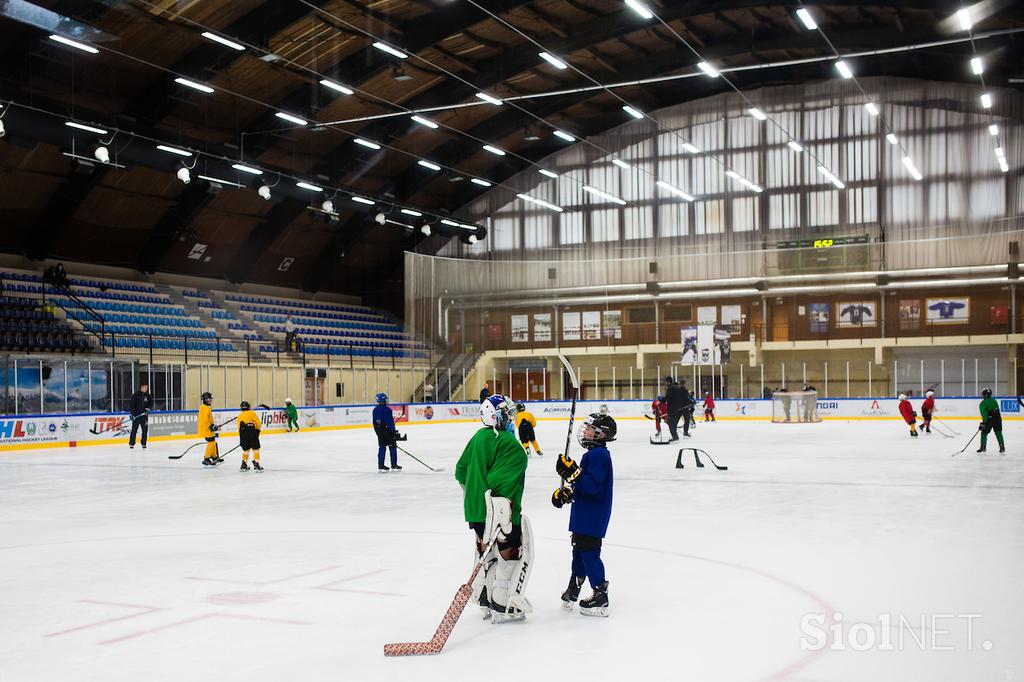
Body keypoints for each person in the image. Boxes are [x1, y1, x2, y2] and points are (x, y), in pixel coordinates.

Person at [455, 394, 531, 622]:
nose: (511, 417)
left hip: (477, 513)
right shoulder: (510, 444)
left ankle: (485, 599)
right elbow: (499, 483)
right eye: (507, 414)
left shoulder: (479, 437)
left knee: (485, 555)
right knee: (511, 556)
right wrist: (497, 511)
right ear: (497, 416)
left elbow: (460, 471)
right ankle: (502, 603)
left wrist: (476, 497)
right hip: (501, 514)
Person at [552, 412, 616, 617]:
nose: (586, 431)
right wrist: (567, 493)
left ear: (601, 435)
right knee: (578, 553)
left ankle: (600, 594)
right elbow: (582, 486)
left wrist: (574, 474)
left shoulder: (599, 455)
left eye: (591, 429)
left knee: (589, 554)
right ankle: (574, 589)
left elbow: (592, 486)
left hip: (591, 517)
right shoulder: (592, 455)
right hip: (583, 516)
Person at [372, 393, 401, 471]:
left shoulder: (375, 409)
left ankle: (381, 465)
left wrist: (378, 432)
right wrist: (393, 432)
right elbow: (390, 422)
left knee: (382, 447)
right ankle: (394, 465)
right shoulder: (387, 410)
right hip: (387, 432)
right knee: (392, 447)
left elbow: (374, 423)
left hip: (379, 432)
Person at [238, 401, 263, 471]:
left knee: (246, 449)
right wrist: (257, 432)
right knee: (256, 449)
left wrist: (242, 438)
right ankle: (257, 464)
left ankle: (244, 464)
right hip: (251, 432)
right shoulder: (252, 413)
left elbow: (239, 428)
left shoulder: (239, 416)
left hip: (242, 433)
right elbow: (258, 423)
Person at [978, 388, 1005, 454]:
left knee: (984, 433)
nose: (982, 396)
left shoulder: (982, 403)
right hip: (998, 418)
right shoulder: (994, 401)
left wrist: (984, 422)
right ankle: (1002, 447)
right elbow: (997, 411)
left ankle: (983, 447)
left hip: (989, 420)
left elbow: (984, 414)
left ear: (985, 395)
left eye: (983, 394)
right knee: (998, 432)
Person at [199, 392, 221, 466]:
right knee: (211, 442)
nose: (211, 401)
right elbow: (204, 420)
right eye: (209, 399)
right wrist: (211, 426)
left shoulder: (206, 407)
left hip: (208, 428)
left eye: (211, 399)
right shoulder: (204, 408)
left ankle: (214, 457)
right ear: (205, 399)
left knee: (213, 442)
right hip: (207, 429)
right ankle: (207, 458)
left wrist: (213, 426)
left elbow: (208, 419)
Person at [128, 382, 152, 449]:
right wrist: (132, 414)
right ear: (141, 387)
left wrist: (148, 410)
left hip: (144, 416)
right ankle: (131, 443)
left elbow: (150, 404)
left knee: (145, 430)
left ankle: (143, 443)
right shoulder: (135, 395)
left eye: (146, 387)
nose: (146, 389)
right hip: (136, 416)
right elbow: (132, 405)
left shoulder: (148, 396)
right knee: (134, 430)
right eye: (144, 387)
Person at [663, 377, 686, 442]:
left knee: (671, 423)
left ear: (668, 382)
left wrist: (661, 400)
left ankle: (675, 437)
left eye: (666, 382)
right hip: (677, 409)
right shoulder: (677, 388)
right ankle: (675, 436)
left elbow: (668, 397)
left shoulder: (670, 388)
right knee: (673, 423)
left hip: (672, 408)